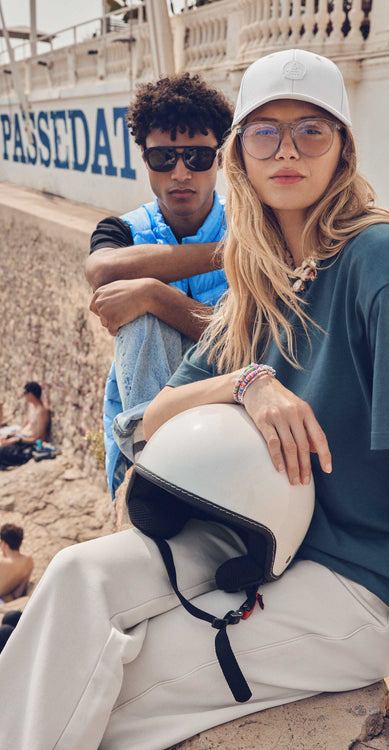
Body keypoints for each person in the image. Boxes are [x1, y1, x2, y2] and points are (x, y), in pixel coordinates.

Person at [0, 49, 389, 750]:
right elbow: (149, 418)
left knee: (100, 685)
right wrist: (246, 382)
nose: (287, 150)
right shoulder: (264, 280)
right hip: (258, 540)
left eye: (311, 130)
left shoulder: (382, 264)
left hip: (356, 578)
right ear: (241, 156)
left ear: (343, 149)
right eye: (265, 132)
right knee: (76, 574)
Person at [84, 73, 232, 498]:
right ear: (144, 158)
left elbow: (247, 343)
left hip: (230, 409)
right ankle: (149, 469)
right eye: (164, 157)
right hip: (143, 433)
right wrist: (233, 254)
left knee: (139, 299)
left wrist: (153, 294)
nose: (180, 172)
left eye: (197, 157)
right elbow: (102, 272)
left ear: (220, 158)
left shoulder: (251, 225)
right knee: (139, 314)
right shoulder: (124, 230)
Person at [0, 382, 50, 469]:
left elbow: (38, 438)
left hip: (27, 443)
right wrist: (10, 436)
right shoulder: (33, 408)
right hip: (22, 436)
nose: (24, 395)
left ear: (30, 394)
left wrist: (16, 440)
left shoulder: (41, 412)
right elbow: (25, 426)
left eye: (25, 393)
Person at [0, 525, 33, 603]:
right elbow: (20, 590)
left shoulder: (2, 563)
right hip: (12, 600)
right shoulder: (28, 560)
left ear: (4, 544)